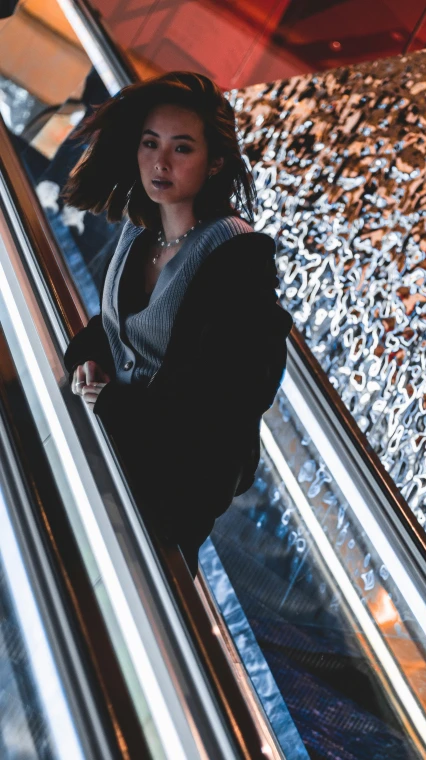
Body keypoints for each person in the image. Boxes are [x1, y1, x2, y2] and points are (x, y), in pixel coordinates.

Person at [62, 71, 293, 577]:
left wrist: (119, 406)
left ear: (214, 164)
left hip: (163, 499)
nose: (160, 163)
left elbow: (221, 400)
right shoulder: (138, 230)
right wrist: (88, 360)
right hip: (108, 455)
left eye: (181, 149)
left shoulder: (237, 260)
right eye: (150, 143)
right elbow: (119, 329)